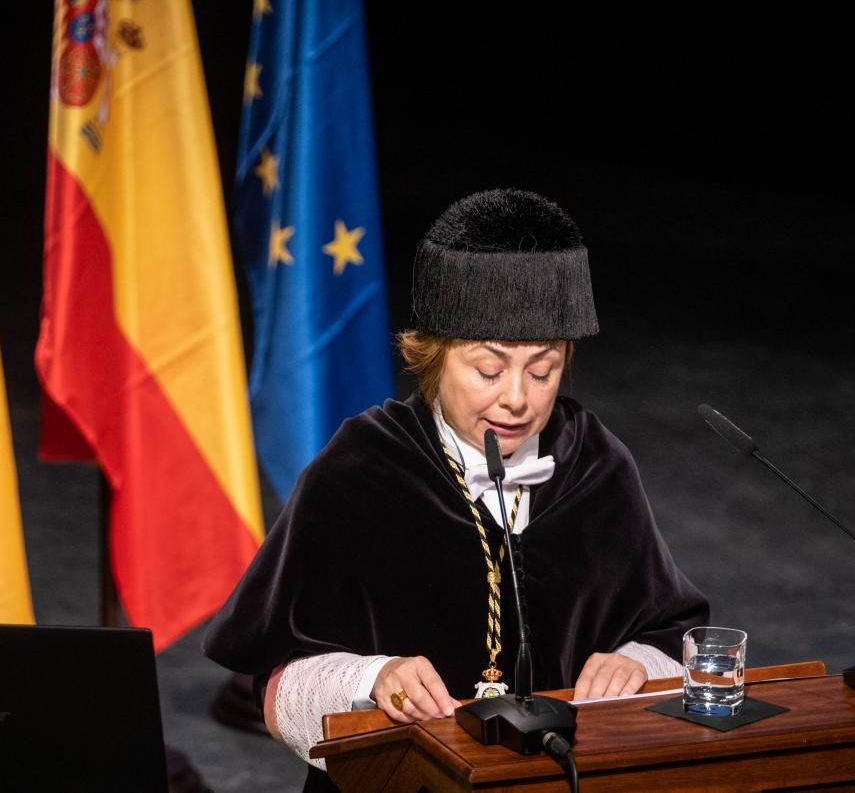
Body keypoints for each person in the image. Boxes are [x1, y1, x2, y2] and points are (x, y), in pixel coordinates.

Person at [203, 189, 709, 792]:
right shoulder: (361, 468)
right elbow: (277, 684)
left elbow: (674, 639)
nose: (517, 399)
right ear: (432, 356)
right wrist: (371, 678)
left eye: (543, 371)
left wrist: (638, 664)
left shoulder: (594, 464)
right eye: (489, 371)